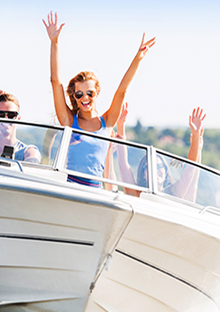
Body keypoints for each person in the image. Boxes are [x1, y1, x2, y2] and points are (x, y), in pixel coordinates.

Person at [43, 11, 155, 187]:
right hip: (70, 189)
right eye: (79, 94)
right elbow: (55, 81)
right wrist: (54, 42)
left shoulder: (108, 122)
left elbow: (121, 91)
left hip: (96, 192)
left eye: (90, 93)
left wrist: (138, 58)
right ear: (74, 96)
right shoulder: (68, 120)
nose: (84, 98)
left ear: (97, 92)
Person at [115, 105, 206, 199]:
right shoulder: (136, 194)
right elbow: (123, 164)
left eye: (159, 166)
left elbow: (190, 169)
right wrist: (121, 125)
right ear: (143, 174)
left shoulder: (174, 192)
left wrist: (196, 136)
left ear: (166, 171)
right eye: (149, 167)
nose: (155, 170)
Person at [0, 92, 41, 163]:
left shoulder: (28, 152)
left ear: (18, 118)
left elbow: (32, 162)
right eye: (1, 114)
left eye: (11, 115)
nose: (6, 119)